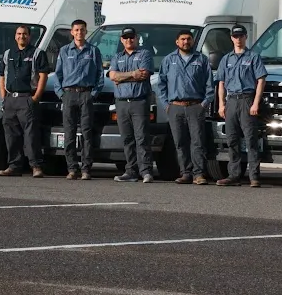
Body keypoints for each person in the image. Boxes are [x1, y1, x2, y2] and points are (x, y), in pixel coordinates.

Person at [159, 27, 213, 184]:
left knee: (198, 141)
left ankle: (199, 174)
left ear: (193, 41)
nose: (186, 42)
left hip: (196, 106)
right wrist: (166, 104)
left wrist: (204, 103)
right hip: (175, 107)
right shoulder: (168, 60)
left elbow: (210, 84)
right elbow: (161, 84)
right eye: (182, 39)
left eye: (189, 39)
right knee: (180, 142)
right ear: (177, 42)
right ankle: (185, 173)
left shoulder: (201, 59)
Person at [214, 24, 267, 186]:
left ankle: (254, 176)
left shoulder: (253, 57)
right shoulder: (226, 59)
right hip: (231, 100)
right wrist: (221, 104)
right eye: (235, 36)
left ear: (245, 37)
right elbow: (221, 83)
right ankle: (234, 175)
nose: (238, 39)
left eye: (241, 36)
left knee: (251, 140)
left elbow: (261, 80)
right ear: (232, 38)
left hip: (247, 100)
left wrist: (255, 103)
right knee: (232, 140)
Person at [55, 19, 104, 180]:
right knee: (69, 133)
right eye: (76, 30)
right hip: (69, 94)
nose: (79, 32)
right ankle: (72, 168)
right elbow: (58, 74)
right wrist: (61, 94)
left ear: (86, 31)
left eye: (82, 30)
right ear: (72, 32)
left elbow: (100, 74)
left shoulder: (93, 51)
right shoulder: (64, 51)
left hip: (86, 95)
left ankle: (86, 169)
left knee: (86, 133)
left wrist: (93, 94)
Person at [0, 24, 47, 177]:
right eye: (19, 34)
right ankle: (14, 166)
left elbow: (43, 76)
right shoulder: (8, 54)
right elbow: (1, 76)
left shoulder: (37, 53)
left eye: (24, 34)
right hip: (10, 100)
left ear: (29, 36)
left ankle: (36, 166)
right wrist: (4, 97)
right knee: (11, 135)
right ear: (15, 36)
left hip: (27, 99)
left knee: (31, 135)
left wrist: (35, 97)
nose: (21, 36)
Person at [108, 27, 156, 183]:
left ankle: (146, 171)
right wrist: (132, 74)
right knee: (127, 138)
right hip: (121, 103)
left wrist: (121, 77)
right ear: (121, 40)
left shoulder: (144, 54)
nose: (129, 40)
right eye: (126, 37)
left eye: (131, 37)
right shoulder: (117, 57)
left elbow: (144, 74)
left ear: (136, 38)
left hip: (139, 101)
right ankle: (131, 171)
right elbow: (112, 76)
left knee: (142, 137)